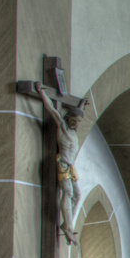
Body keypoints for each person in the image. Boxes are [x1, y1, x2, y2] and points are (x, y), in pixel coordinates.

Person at [35, 83, 90, 246]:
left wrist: (80, 106)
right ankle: (69, 228)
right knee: (67, 193)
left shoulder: (73, 132)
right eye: (74, 120)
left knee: (78, 195)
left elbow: (78, 114)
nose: (77, 124)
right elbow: (52, 109)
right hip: (63, 165)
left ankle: (67, 224)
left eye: (79, 121)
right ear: (68, 118)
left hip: (71, 167)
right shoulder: (63, 128)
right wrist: (42, 93)